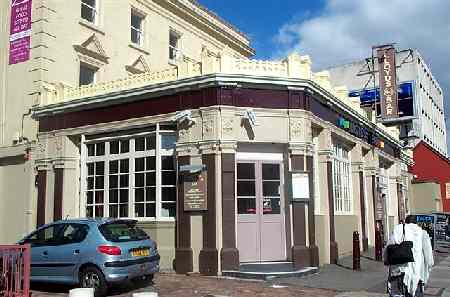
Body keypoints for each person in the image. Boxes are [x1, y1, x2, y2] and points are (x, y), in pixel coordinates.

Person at [384, 216, 434, 297]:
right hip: (417, 274)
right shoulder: (422, 233)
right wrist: (428, 269)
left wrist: (387, 262)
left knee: (397, 294)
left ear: (405, 222)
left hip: (398, 271)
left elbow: (388, 249)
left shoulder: (398, 230)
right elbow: (429, 259)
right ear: (416, 223)